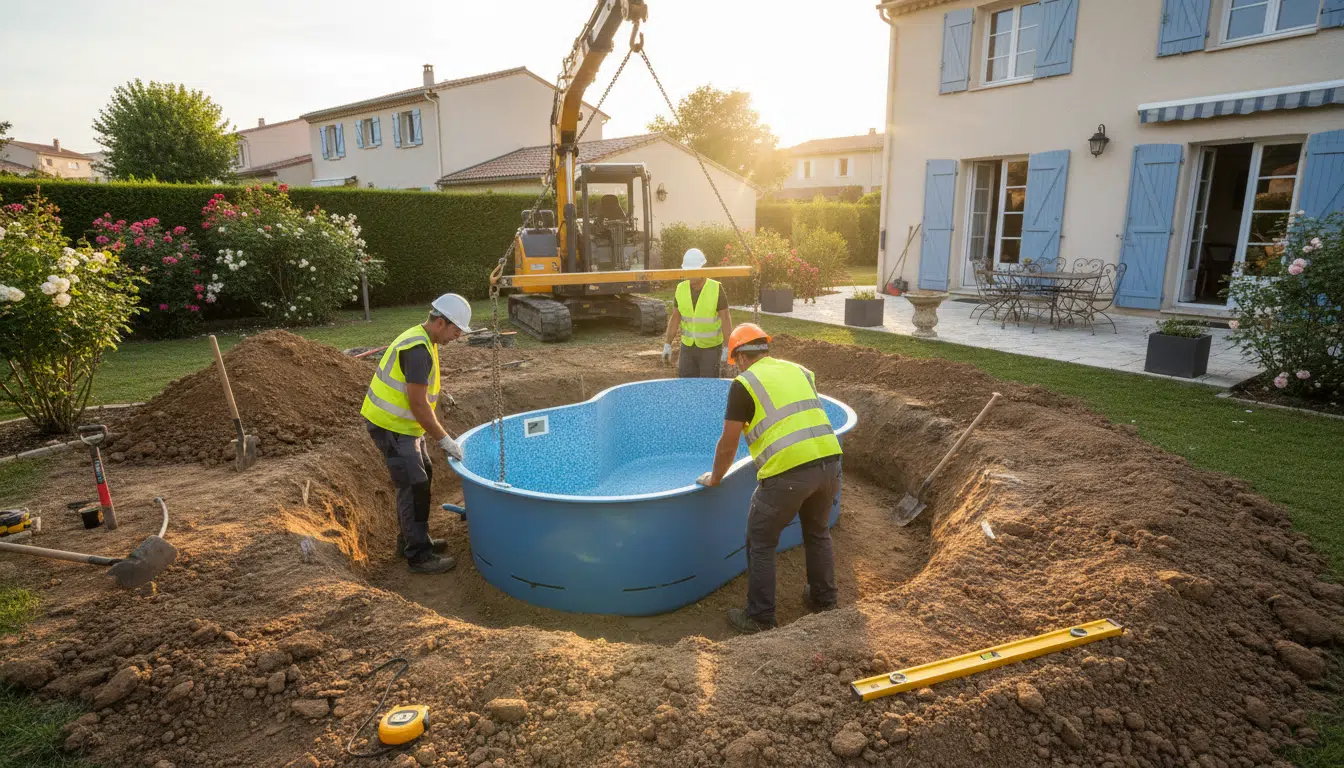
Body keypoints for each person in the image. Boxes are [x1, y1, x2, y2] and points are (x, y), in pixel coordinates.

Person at [697, 323, 844, 633]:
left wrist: (715, 478)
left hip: (788, 472)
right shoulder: (800, 371)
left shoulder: (744, 383)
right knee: (817, 532)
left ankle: (760, 618)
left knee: (761, 541)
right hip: (830, 462)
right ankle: (825, 600)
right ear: (764, 349)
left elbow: (728, 443)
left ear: (739, 357)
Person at [360, 293, 473, 574]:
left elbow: (420, 392)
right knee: (413, 485)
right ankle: (418, 556)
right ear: (440, 323)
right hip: (392, 427)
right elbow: (418, 403)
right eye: (456, 330)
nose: (457, 337)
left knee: (423, 475)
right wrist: (444, 439)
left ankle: (415, 539)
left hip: (405, 427)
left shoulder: (425, 340)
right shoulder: (418, 350)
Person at [662, 248, 733, 378]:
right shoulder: (681, 288)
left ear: (702, 269)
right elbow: (675, 318)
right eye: (687, 270)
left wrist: (727, 347)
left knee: (708, 386)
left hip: (710, 349)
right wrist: (667, 344)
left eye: (693, 270)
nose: (690, 274)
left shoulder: (716, 288)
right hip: (688, 348)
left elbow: (726, 319)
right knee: (686, 385)